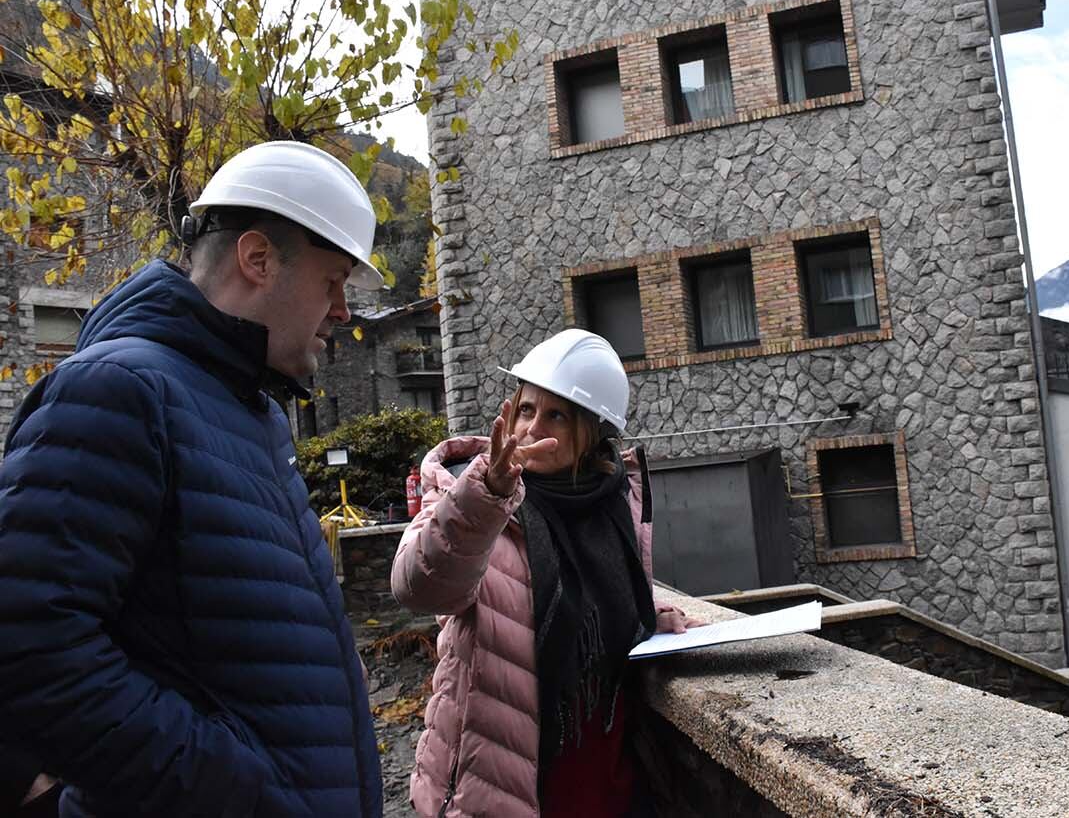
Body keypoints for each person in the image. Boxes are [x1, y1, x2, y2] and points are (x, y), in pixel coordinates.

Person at [0, 141, 384, 816]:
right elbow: (28, 642)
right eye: (332, 281)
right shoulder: (119, 391)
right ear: (258, 260)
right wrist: (236, 792)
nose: (343, 311)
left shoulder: (251, 413)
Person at [392, 329, 701, 817]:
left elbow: (604, 608)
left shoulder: (615, 502)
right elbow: (419, 587)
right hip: (505, 782)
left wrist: (645, 619)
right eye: (527, 410)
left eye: (557, 414)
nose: (534, 427)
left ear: (592, 432)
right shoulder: (463, 489)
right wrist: (486, 493)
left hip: (607, 776)